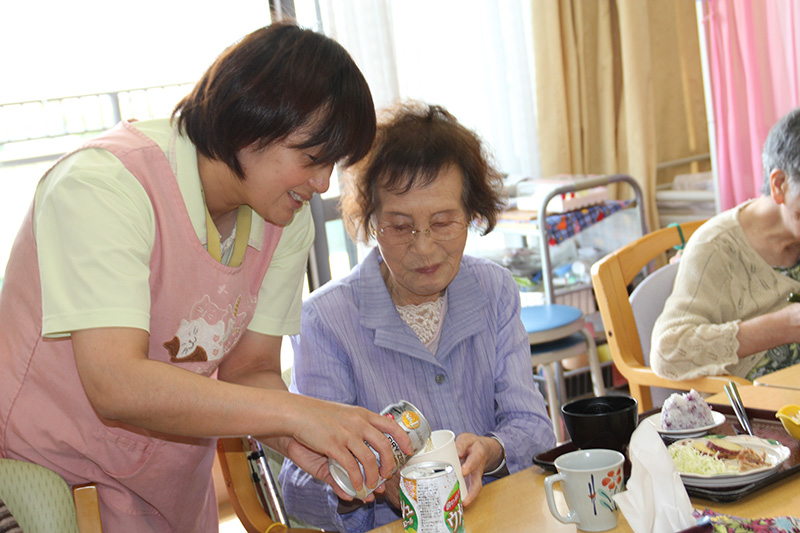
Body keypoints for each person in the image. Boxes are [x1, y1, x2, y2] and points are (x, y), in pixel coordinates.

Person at [0, 22, 414, 532]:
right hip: (51, 486)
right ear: (249, 123)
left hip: (167, 485)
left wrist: (311, 445)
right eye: (312, 159)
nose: (323, 183)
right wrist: (299, 414)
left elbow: (251, 371)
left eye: (332, 165)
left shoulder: (284, 219)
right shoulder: (104, 186)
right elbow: (115, 382)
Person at [279, 101, 556, 532]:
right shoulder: (326, 320)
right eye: (401, 226)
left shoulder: (494, 290)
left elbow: (534, 429)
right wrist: (371, 483)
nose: (424, 248)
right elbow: (297, 486)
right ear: (370, 222)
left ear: (472, 216)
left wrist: (492, 449)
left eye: (444, 222)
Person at [652, 106, 800, 381]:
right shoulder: (716, 248)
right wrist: (786, 325)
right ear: (780, 184)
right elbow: (668, 351)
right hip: (754, 411)